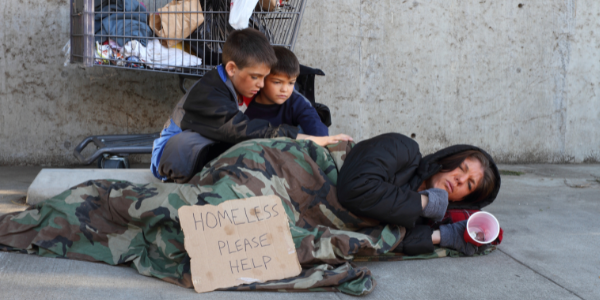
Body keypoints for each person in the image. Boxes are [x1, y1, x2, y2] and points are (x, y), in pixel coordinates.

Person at [151, 28, 350, 182]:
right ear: (231, 69)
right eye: (256, 77)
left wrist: (320, 139)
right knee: (235, 141)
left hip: (209, 144)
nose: (261, 85)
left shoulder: (243, 83)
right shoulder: (209, 93)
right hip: (170, 158)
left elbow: (298, 105)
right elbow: (240, 129)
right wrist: (298, 137)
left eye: (265, 78)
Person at [336, 133, 501, 256]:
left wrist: (445, 236)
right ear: (449, 159)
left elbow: (380, 243)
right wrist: (425, 202)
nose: (460, 179)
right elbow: (354, 188)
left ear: (462, 200)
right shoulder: (404, 148)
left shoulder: (422, 220)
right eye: (462, 168)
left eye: (469, 185)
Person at [244, 46, 328, 137]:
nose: (284, 89)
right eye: (277, 82)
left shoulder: (297, 103)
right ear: (261, 79)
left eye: (291, 83)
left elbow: (316, 128)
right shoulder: (250, 114)